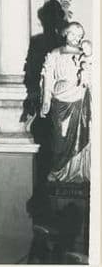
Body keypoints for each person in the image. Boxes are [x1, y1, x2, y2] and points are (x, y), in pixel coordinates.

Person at [40, 22, 91, 182]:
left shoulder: (85, 54)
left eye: (79, 36)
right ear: (65, 34)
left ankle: (77, 172)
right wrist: (46, 100)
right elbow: (48, 77)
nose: (75, 38)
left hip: (80, 97)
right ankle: (58, 171)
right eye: (72, 34)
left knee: (80, 134)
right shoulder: (55, 53)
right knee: (59, 138)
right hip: (60, 98)